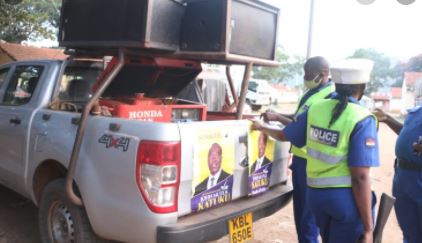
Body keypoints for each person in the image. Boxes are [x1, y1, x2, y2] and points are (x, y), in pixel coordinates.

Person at [252, 58, 379, 243]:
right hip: (345, 200)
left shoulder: (316, 108)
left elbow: (289, 134)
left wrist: (262, 127)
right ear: (361, 87)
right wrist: (368, 229)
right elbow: (360, 177)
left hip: (316, 195)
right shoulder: (362, 118)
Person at [261, 56, 334, 243]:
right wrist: (277, 116)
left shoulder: (327, 97)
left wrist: (262, 128)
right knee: (301, 217)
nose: (305, 77)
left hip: (313, 165)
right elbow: (297, 120)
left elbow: (293, 131)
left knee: (308, 221)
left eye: (309, 74)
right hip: (301, 163)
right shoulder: (312, 93)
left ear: (323, 74)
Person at [374, 107, 422, 243]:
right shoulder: (417, 111)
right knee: (409, 231)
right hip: (404, 178)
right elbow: (405, 135)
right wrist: (388, 119)